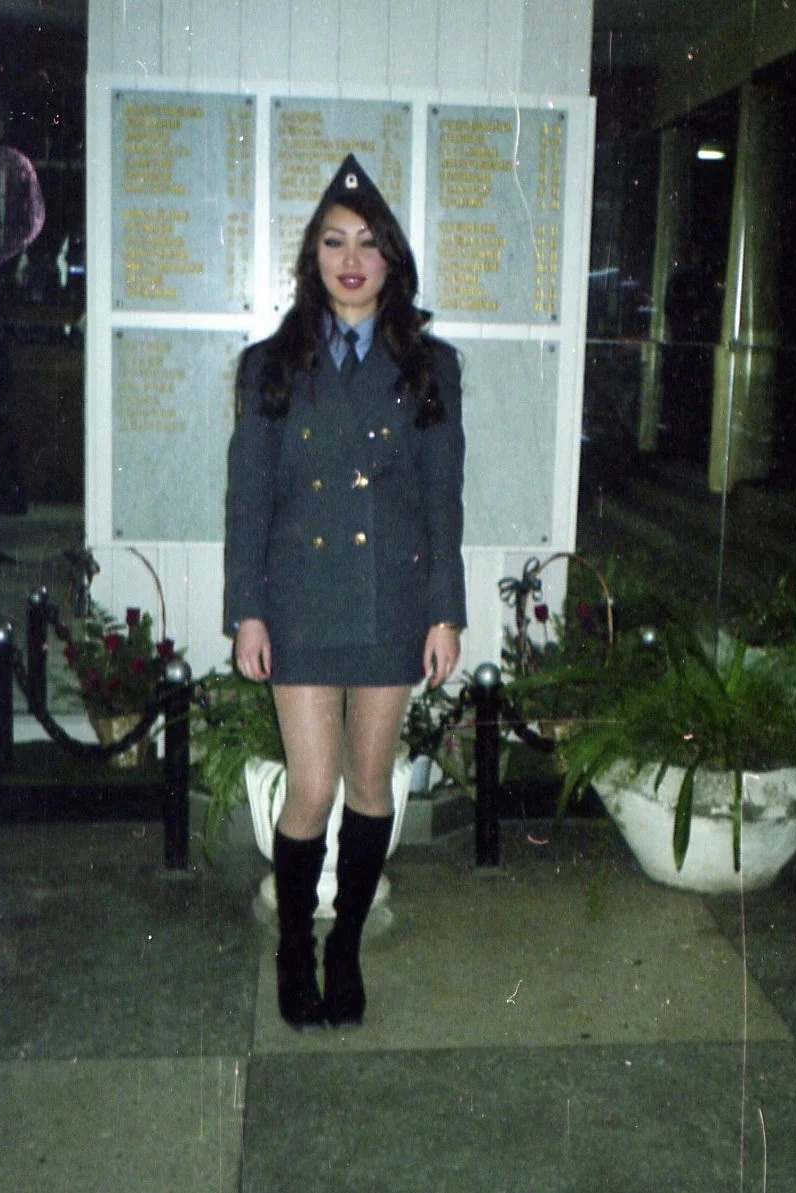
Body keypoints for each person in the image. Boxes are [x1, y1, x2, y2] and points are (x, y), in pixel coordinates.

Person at [224, 155, 466, 1029]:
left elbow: (442, 498)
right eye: (333, 242)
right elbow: (248, 499)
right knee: (312, 786)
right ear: (312, 256)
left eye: (367, 242)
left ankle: (345, 947)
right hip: (299, 603)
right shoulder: (270, 366)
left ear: (391, 257)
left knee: (370, 784)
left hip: (390, 605)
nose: (350, 259)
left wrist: (445, 611)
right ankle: (296, 946)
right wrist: (246, 611)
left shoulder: (429, 364)